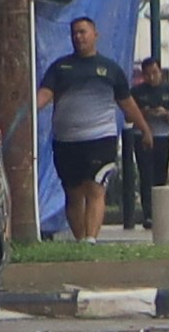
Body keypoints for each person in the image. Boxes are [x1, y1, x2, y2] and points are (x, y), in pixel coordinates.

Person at [43, 17, 131, 237]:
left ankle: (91, 239)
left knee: (95, 188)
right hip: (67, 140)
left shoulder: (110, 69)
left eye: (82, 32)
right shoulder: (60, 67)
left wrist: (144, 129)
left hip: (101, 137)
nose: (78, 37)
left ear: (95, 35)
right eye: (74, 33)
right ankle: (81, 238)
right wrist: (30, 106)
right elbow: (46, 92)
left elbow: (126, 101)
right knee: (73, 193)